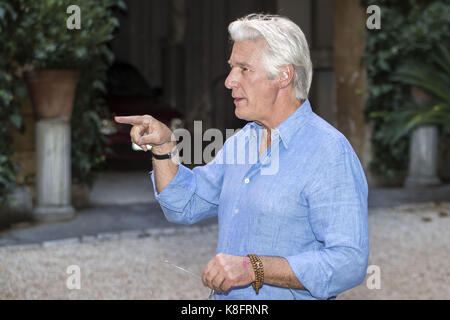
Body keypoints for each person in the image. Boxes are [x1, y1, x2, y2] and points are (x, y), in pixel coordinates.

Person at [115, 13, 369, 300]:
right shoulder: (241, 142)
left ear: (283, 75)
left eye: (244, 69)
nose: (229, 81)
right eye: (231, 68)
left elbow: (349, 262)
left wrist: (255, 268)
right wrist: (163, 148)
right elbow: (184, 205)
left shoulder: (330, 153)